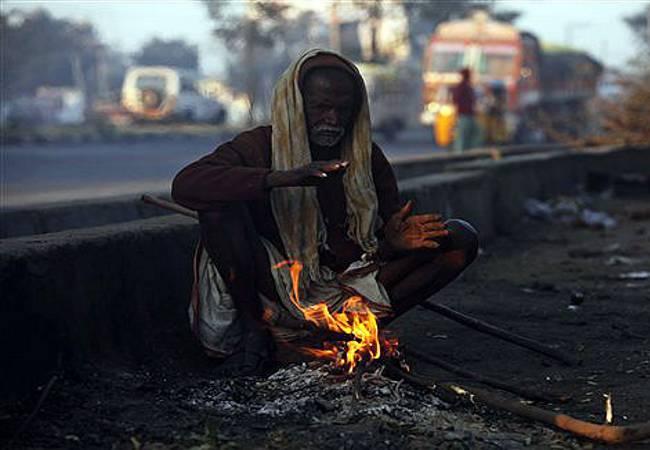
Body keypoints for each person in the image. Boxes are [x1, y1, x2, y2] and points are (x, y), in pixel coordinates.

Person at [172, 49, 478, 376]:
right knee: (218, 211)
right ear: (297, 104)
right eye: (320, 108)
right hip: (272, 292)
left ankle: (329, 339)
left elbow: (376, 244)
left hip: (344, 292)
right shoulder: (260, 146)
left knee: (460, 237)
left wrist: (392, 243)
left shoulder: (366, 157)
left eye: (342, 110)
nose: (332, 119)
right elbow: (186, 185)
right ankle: (256, 336)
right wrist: (281, 179)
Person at [451, 67, 481, 152]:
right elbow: (456, 99)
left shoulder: (466, 87)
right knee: (462, 137)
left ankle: (466, 153)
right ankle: (460, 156)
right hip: (464, 115)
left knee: (469, 136)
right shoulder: (463, 87)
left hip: (468, 115)